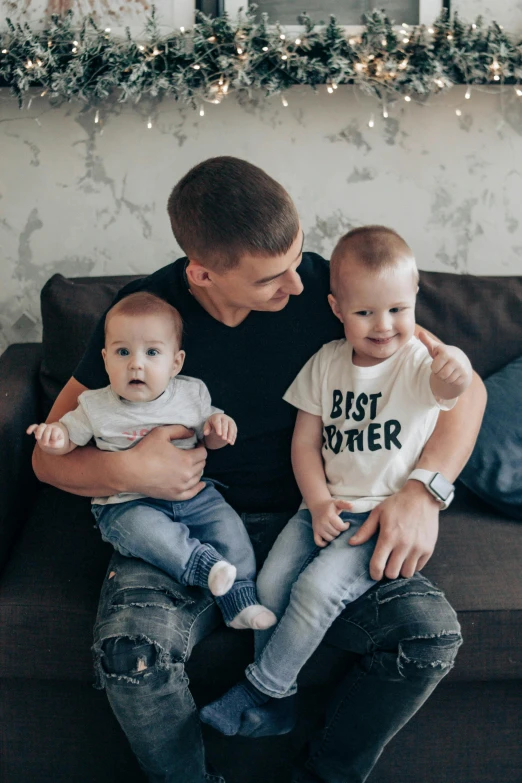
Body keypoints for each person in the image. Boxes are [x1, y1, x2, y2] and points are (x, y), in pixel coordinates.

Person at [32, 157, 486, 783]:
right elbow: (45, 457)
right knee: (131, 655)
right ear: (203, 273)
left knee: (429, 636)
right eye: (273, 278)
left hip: (314, 518)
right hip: (180, 524)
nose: (297, 287)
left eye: (298, 262)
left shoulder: (334, 291)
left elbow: (465, 390)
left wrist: (424, 490)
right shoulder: (142, 319)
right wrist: (132, 471)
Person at [199, 225, 472, 736]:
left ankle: (263, 691)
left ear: (415, 298)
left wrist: (454, 370)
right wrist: (318, 503)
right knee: (271, 581)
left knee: (317, 588)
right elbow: (303, 444)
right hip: (321, 509)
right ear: (336, 308)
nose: (384, 325)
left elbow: (448, 385)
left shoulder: (418, 364)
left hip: (379, 516)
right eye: (364, 312)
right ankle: (277, 705)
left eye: (396, 309)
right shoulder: (325, 363)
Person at [27, 291, 276, 631]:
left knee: (228, 529)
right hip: (127, 504)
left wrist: (219, 429)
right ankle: (204, 566)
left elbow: (208, 434)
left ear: (176, 362)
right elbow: (67, 439)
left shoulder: (191, 393)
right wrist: (53, 438)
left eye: (152, 352)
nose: (136, 363)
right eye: (122, 352)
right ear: (105, 358)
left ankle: (240, 602)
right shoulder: (94, 405)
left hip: (194, 496)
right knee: (145, 533)